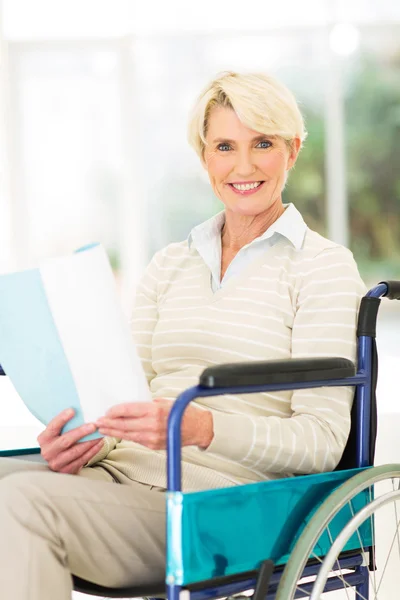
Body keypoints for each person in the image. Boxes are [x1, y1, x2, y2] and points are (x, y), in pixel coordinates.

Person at [0, 71, 365, 599]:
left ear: (293, 150)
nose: (243, 166)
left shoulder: (323, 268)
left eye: (262, 143)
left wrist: (202, 428)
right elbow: (124, 403)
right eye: (224, 146)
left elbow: (320, 444)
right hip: (123, 477)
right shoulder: (170, 264)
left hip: (225, 506)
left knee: (22, 504)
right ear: (205, 157)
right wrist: (84, 440)